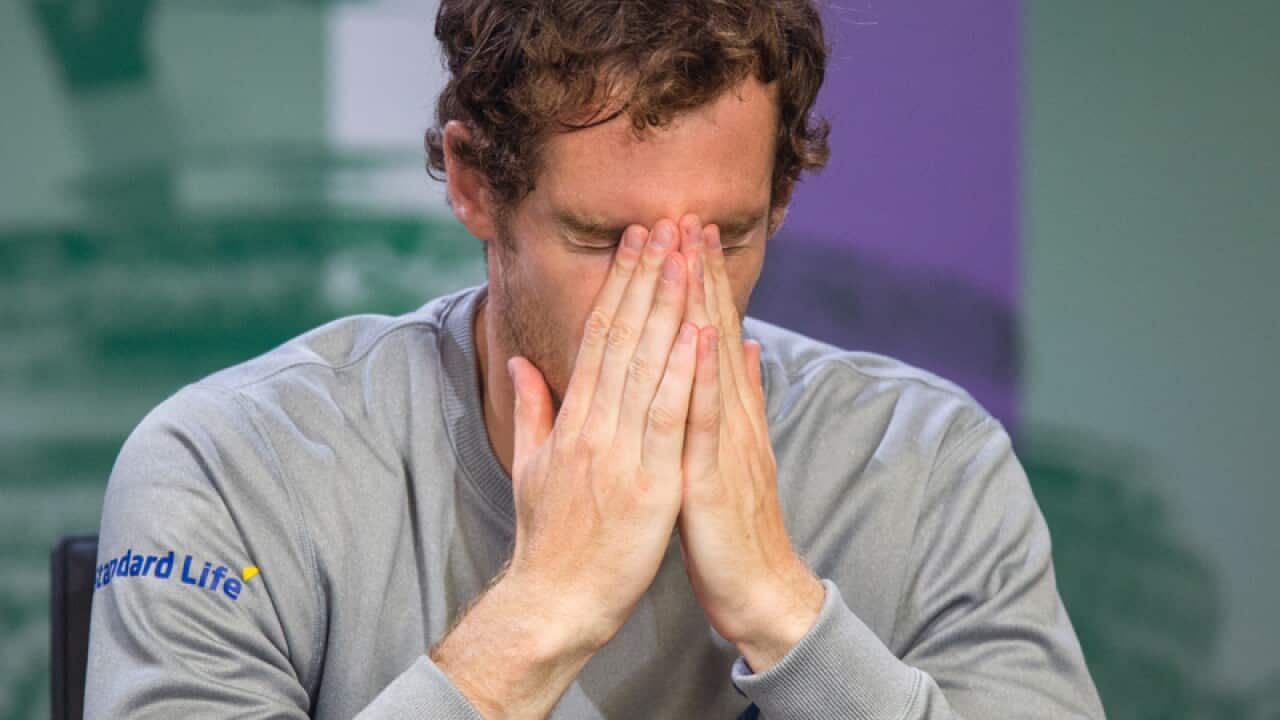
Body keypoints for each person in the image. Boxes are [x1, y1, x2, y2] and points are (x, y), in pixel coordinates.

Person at [84, 1, 1105, 717]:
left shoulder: (923, 466)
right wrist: (544, 611)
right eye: (605, 243)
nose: (667, 300)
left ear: (781, 201)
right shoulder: (232, 465)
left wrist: (781, 615)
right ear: (476, 186)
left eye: (726, 237)